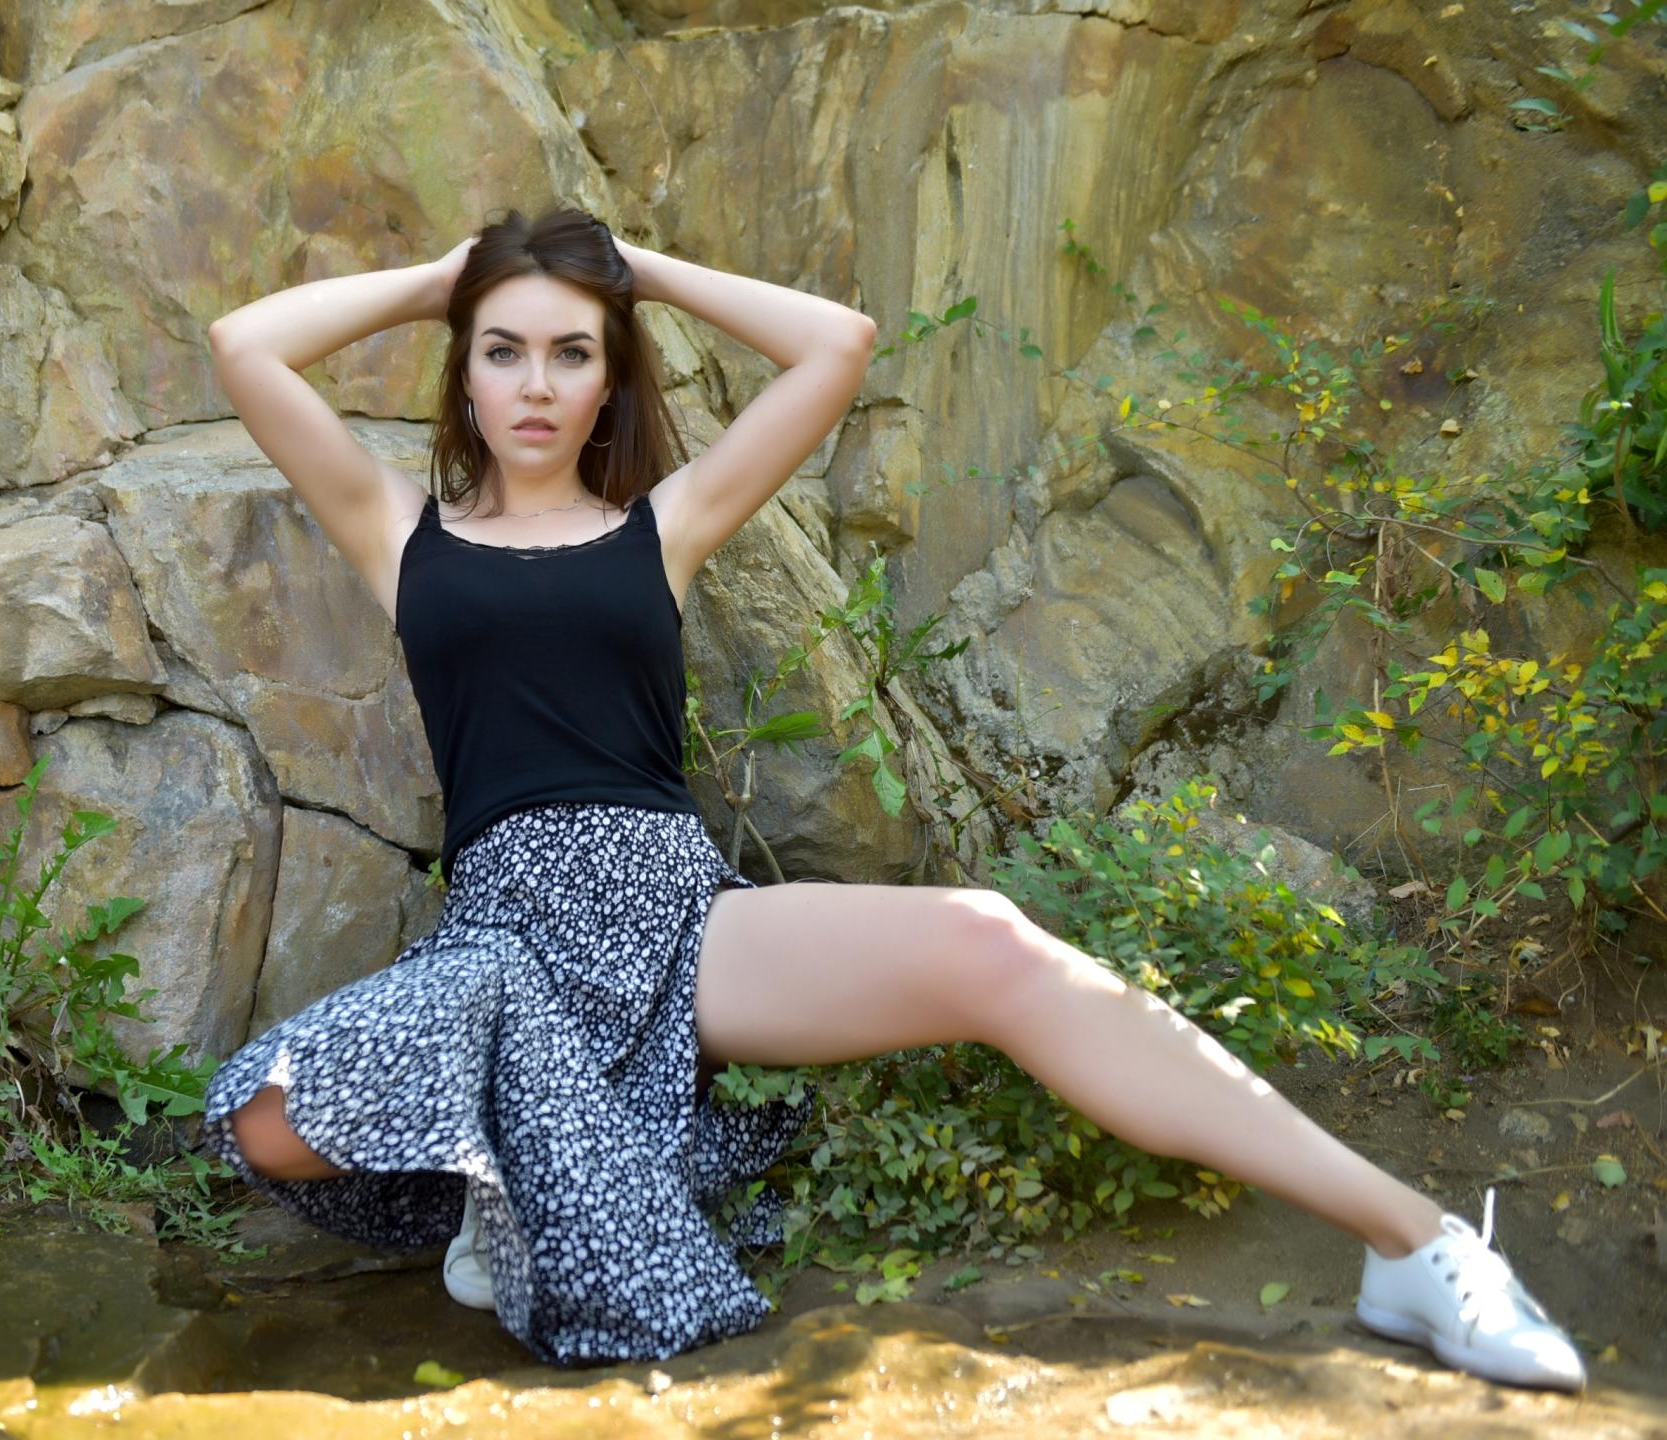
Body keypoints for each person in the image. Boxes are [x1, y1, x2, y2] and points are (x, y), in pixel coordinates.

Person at [194, 206, 1585, 1389]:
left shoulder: (661, 529)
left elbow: (838, 344)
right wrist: (451, 278)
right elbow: (244, 345)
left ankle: (1417, 1244)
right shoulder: (403, 534)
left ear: (612, 381)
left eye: (573, 352)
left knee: (989, 940)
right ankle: (510, 1181)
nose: (537, 384)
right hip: (502, 935)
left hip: (675, 921)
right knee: (270, 1119)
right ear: (464, 374)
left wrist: (636, 272)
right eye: (503, 351)